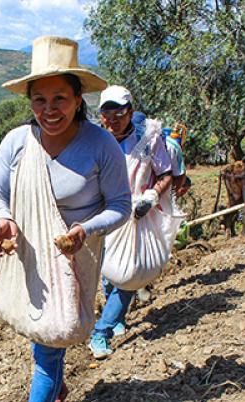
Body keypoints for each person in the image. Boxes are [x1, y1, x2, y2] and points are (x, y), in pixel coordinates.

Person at [0, 36, 132, 402]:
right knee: (40, 336)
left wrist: (85, 229)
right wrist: (2, 220)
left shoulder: (100, 146)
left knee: (51, 342)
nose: (50, 110)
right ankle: (57, 390)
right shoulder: (16, 143)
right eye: (40, 99)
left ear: (78, 98)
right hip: (28, 255)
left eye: (60, 99)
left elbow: (121, 205)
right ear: (30, 101)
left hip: (74, 258)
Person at [88, 86, 173, 359]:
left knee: (129, 274)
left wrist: (152, 194)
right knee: (108, 271)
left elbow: (166, 173)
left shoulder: (148, 141)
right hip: (103, 214)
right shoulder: (96, 140)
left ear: (131, 112)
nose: (112, 119)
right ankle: (118, 316)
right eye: (106, 113)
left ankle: (101, 332)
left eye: (119, 113)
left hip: (135, 213)